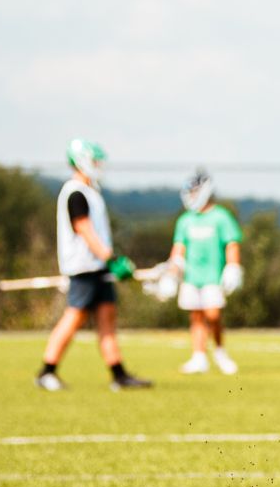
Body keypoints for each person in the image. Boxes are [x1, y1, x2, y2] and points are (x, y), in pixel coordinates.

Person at [36, 139, 152, 392]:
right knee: (73, 318)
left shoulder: (91, 192)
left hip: (99, 267)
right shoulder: (75, 192)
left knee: (107, 319)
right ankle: (47, 371)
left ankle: (119, 375)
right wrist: (112, 259)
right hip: (84, 268)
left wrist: (108, 263)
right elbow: (84, 229)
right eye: (95, 161)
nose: (99, 166)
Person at [169, 169, 244, 376]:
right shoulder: (185, 220)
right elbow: (179, 249)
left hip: (213, 276)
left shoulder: (221, 217)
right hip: (191, 277)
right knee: (196, 317)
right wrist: (172, 272)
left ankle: (220, 352)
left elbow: (231, 244)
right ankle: (199, 357)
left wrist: (233, 267)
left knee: (213, 315)